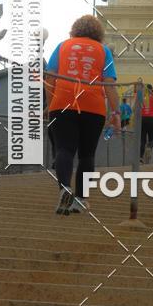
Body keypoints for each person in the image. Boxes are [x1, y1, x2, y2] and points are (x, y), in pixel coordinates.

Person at [45, 15, 120, 214]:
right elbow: (110, 84)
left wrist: (49, 104)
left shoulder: (62, 46)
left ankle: (64, 190)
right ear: (98, 33)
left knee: (64, 149)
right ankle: (80, 199)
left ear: (75, 30)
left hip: (62, 103)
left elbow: (50, 77)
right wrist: (116, 112)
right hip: (93, 107)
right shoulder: (103, 51)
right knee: (87, 155)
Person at [140, 84, 153, 161]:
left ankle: (140, 158)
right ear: (151, 89)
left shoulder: (142, 97)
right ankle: (149, 147)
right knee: (152, 138)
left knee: (142, 139)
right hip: (151, 119)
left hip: (143, 118)